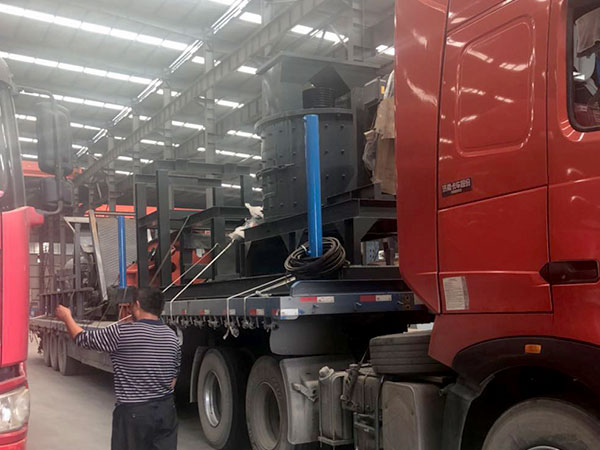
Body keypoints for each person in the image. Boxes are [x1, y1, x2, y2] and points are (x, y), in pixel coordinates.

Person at [55, 288, 181, 450]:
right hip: (166, 411)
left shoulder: (122, 332)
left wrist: (67, 317)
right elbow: (172, 380)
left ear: (137, 305)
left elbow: (82, 339)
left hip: (134, 415)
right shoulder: (171, 337)